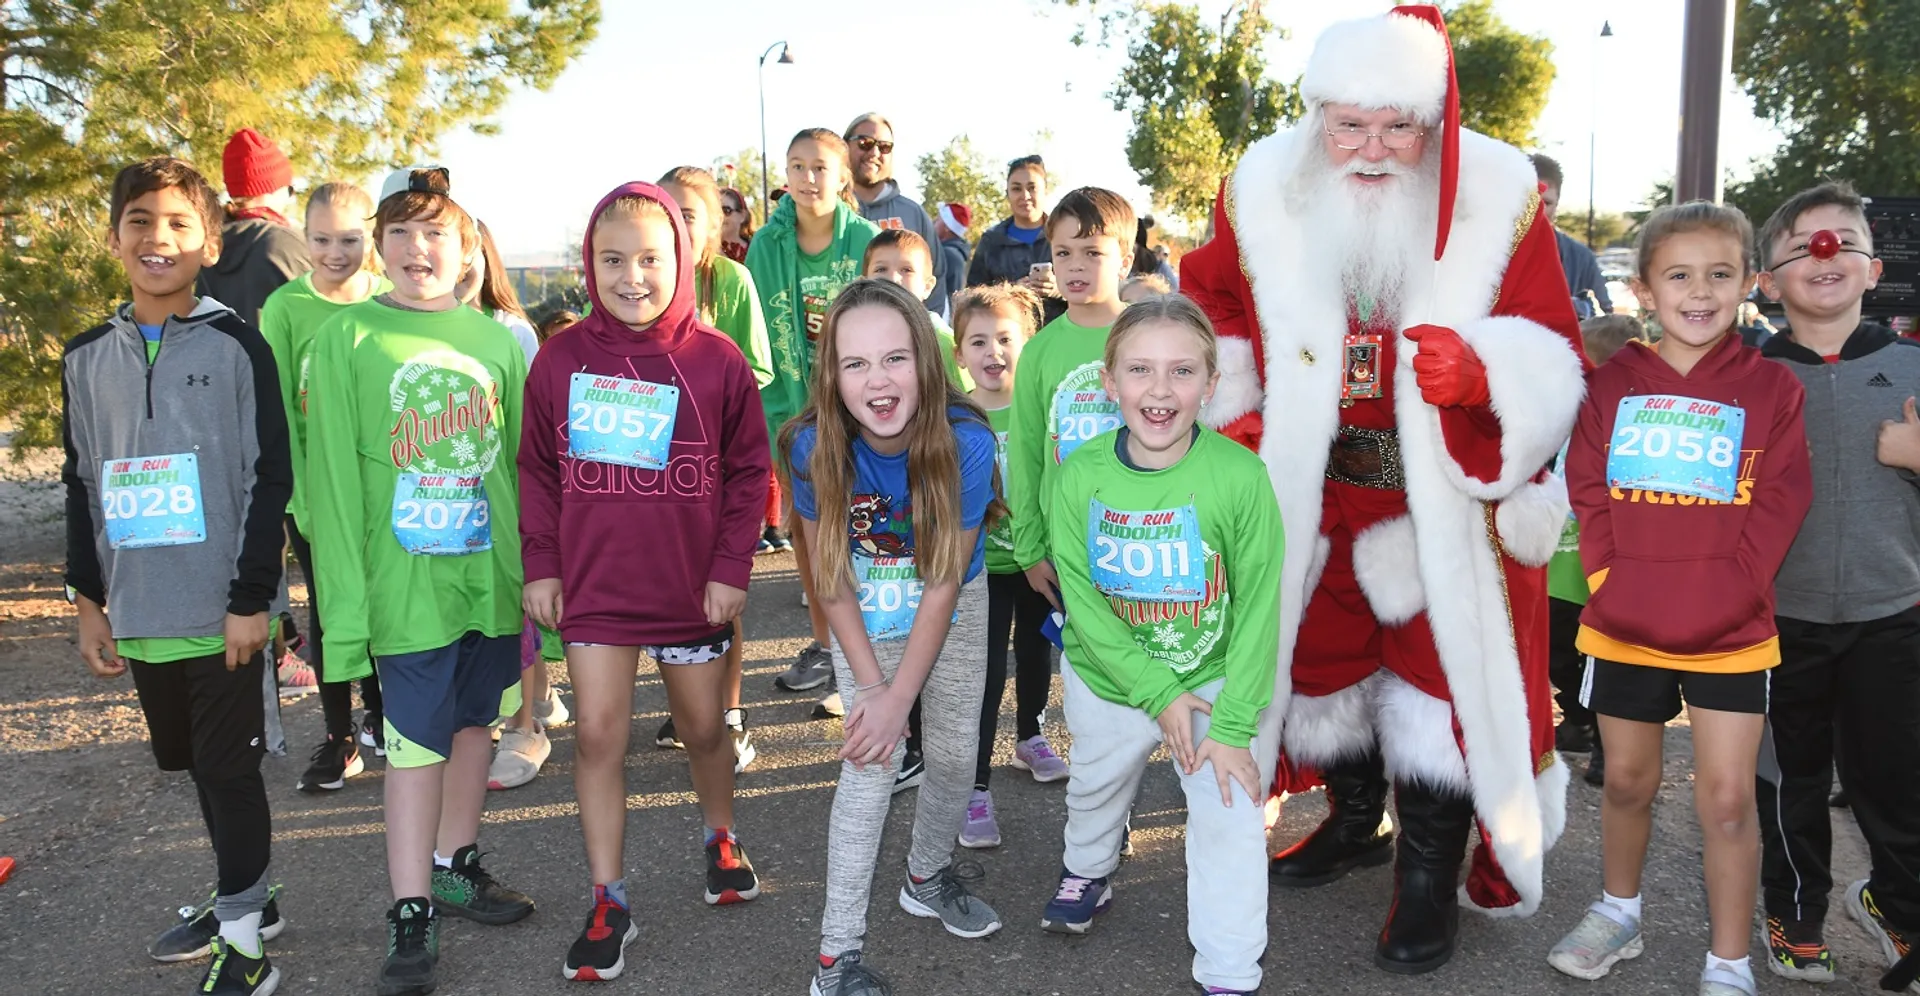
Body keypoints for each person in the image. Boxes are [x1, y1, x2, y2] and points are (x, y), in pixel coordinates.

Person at [1179, 5, 1587, 972]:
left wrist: (1483, 376)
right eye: (1349, 123)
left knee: (1437, 681)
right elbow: (1214, 298)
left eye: (1396, 126)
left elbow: (1555, 342)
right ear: (1318, 111)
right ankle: (1355, 815)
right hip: (1312, 487)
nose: (1371, 148)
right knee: (1319, 665)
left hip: (1440, 494)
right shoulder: (1263, 187)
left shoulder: (1500, 194)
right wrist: (1235, 398)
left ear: (1433, 121)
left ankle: (1426, 875)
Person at [1550, 201, 1813, 996]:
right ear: (1643, 288)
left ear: (1749, 285)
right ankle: (1618, 912)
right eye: (1679, 275)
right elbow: (1587, 487)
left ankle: (1728, 962)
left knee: (1728, 798)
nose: (1699, 292)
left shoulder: (1772, 386)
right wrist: (1608, 582)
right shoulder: (1612, 382)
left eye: (1720, 274)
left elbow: (1782, 498)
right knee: (1626, 781)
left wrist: (1731, 591)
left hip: (1732, 630)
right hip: (1626, 623)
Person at [518, 181, 772, 981]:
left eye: (651, 258)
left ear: (684, 260)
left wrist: (732, 569)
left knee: (702, 732)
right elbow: (535, 469)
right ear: (588, 265)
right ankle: (609, 896)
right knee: (596, 733)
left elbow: (746, 474)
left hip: (691, 590)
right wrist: (542, 564)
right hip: (595, 589)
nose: (632, 275)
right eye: (612, 258)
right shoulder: (560, 360)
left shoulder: (717, 359)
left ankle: (720, 833)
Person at [304, 166, 535, 996]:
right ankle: (410, 909)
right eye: (398, 231)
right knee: (412, 749)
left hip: (487, 578)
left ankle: (452, 864)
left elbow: (517, 470)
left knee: (477, 724)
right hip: (402, 589)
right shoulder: (349, 338)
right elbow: (327, 480)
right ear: (379, 245)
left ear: (467, 246)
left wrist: (530, 574)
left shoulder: (495, 341)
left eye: (436, 230)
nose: (416, 247)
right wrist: (344, 604)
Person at [65, 156, 293, 995]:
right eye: (139, 222)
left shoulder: (239, 345)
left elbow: (272, 478)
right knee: (196, 765)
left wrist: (251, 601)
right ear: (115, 236)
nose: (156, 239)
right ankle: (250, 898)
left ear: (209, 242)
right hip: (140, 608)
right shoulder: (87, 357)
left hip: (223, 607)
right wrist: (89, 604)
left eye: (177, 225)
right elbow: (80, 481)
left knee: (230, 770)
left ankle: (245, 944)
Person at [1041, 296, 1282, 996]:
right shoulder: (1080, 474)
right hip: (1109, 678)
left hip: (1212, 681)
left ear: (1210, 384)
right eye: (1140, 370)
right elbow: (1082, 604)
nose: (1160, 389)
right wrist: (1156, 692)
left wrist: (1232, 727)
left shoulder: (1239, 477)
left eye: (1182, 371)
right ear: (1109, 382)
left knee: (1231, 812)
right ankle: (1087, 868)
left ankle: (1230, 968)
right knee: (1094, 786)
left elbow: (1262, 607)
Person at [781, 278, 1004, 996]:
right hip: (867, 608)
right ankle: (833, 959)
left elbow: (942, 583)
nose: (877, 379)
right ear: (832, 376)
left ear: (927, 363)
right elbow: (829, 573)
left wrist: (903, 694)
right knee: (869, 764)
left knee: (951, 754)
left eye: (895, 358)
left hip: (953, 598)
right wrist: (877, 694)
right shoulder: (812, 444)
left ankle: (926, 874)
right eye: (855, 364)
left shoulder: (967, 443)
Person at [1752, 182, 1920, 991]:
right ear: (1769, 278)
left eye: (1844, 240)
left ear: (1873, 266)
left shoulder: (1914, 366)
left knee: (1897, 781)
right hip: (1777, 620)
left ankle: (1900, 907)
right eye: (1804, 244)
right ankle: (1796, 910)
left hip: (1896, 615)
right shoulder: (1742, 378)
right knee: (1790, 782)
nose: (1827, 254)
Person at [259, 181, 391, 793]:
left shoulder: (392, 299)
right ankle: (340, 734)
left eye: (349, 239)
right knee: (332, 610)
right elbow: (280, 408)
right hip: (318, 493)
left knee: (390, 606)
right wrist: (300, 499)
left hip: (386, 489)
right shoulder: (285, 308)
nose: (335, 252)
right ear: (301, 236)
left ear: (371, 236)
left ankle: (389, 719)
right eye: (320, 239)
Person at [649, 165, 779, 769]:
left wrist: (700, 388)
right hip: (654, 472)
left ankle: (728, 709)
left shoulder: (729, 280)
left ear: (715, 225)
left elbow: (756, 367)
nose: (676, 223)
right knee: (666, 586)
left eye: (690, 214)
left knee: (721, 592)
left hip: (718, 465)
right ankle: (683, 709)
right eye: (665, 210)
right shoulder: (642, 282)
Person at [747, 128, 880, 697]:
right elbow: (759, 338)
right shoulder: (764, 247)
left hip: (861, 409)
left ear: (844, 174)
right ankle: (827, 646)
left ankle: (871, 649)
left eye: (820, 167)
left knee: (867, 526)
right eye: (797, 166)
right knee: (808, 531)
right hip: (792, 412)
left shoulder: (867, 241)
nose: (807, 178)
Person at [946, 283, 1056, 849]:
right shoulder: (951, 415)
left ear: (1028, 343)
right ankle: (975, 788)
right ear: (958, 352)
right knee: (984, 678)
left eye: (1006, 339)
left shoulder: (1041, 407)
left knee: (1038, 652)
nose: (994, 353)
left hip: (1035, 561)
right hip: (977, 569)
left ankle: (1031, 733)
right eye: (978, 341)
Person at [1009, 187, 1134, 622]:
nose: (1075, 264)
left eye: (1092, 252)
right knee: (1082, 672)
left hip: (1142, 535)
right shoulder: (1038, 351)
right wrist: (1029, 550)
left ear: (1125, 260)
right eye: (1062, 253)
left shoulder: (1149, 337)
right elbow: (1024, 457)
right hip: (1067, 544)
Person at [1544, 313, 1647, 792]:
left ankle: (1610, 743)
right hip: (1562, 561)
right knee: (1559, 649)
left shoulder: (1635, 424)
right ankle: (1579, 717)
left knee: (1607, 657)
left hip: (1606, 562)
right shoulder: (1564, 414)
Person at [199, 128, 310, 327]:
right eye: (290, 189)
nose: (291, 199)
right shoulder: (286, 243)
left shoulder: (204, 247)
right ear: (273, 189)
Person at [845, 113, 944, 312]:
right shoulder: (831, 213)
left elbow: (938, 282)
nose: (874, 152)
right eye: (864, 142)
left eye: (884, 147)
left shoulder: (913, 212)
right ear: (844, 147)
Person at [864, 229, 972, 391]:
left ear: (927, 286)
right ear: (863, 283)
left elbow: (968, 404)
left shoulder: (943, 344)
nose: (893, 279)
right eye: (881, 269)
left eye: (906, 270)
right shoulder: (857, 340)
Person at [967, 155, 1064, 325]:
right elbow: (972, 297)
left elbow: (1089, 287)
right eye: (1016, 189)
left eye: (1032, 188)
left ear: (1045, 191)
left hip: (1060, 335)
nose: (1025, 195)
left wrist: (1059, 289)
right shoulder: (992, 241)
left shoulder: (1064, 235)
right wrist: (1010, 291)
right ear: (1007, 194)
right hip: (1008, 335)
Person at [1532, 153, 1614, 319]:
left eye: (1546, 203)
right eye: (1531, 200)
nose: (1537, 209)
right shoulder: (1489, 251)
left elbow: (1605, 319)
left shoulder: (1582, 258)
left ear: (1557, 204)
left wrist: (1576, 308)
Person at [459, 220, 541, 362]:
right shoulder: (409, 328)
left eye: (467, 252)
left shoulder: (516, 332)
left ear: (487, 265)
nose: (456, 265)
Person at [934, 202, 973, 314]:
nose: (934, 222)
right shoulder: (957, 253)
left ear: (946, 227)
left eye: (938, 220)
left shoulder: (948, 255)